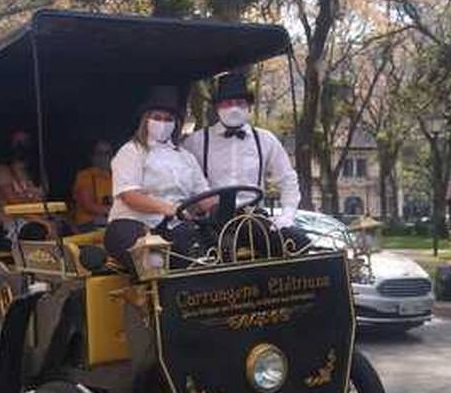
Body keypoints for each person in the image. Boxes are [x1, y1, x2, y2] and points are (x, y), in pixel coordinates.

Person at [182, 71, 308, 249]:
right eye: (228, 103)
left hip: (251, 218)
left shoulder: (265, 139)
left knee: (298, 243)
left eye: (240, 103)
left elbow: (287, 178)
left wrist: (287, 215)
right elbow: (182, 182)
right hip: (211, 220)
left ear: (248, 107)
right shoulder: (196, 141)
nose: (234, 108)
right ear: (218, 107)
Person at [105, 86, 211, 271]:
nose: (163, 123)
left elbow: (204, 196)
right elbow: (129, 196)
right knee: (153, 262)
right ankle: (150, 296)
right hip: (133, 223)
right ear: (146, 120)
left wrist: (226, 206)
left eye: (168, 119)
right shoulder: (131, 151)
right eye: (157, 118)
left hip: (175, 228)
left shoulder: (186, 157)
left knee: (212, 253)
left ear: (175, 123)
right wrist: (168, 208)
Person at [0, 130, 48, 249]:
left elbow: (43, 203)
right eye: (18, 143)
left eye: (25, 142)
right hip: (6, 227)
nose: (21, 147)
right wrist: (40, 220)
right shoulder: (1, 171)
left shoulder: (36, 173)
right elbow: (15, 203)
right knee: (36, 231)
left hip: (36, 221)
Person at [72, 140, 113, 231]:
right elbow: (88, 205)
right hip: (88, 223)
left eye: (108, 153)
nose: (105, 157)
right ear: (92, 156)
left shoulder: (116, 175)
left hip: (111, 219)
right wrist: (115, 211)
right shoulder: (85, 176)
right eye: (100, 153)